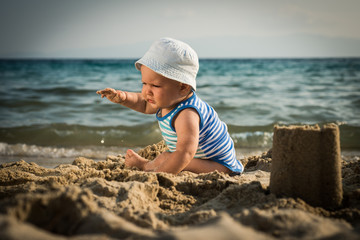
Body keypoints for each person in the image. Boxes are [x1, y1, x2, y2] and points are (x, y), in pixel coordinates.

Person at [97, 37, 243, 175]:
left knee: (171, 159)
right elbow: (143, 104)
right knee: (166, 157)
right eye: (144, 83)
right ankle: (145, 165)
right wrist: (122, 97)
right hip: (200, 159)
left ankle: (148, 168)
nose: (147, 91)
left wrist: (158, 175)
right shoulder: (167, 100)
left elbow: (185, 153)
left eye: (155, 85)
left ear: (183, 87)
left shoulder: (187, 113)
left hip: (218, 165)